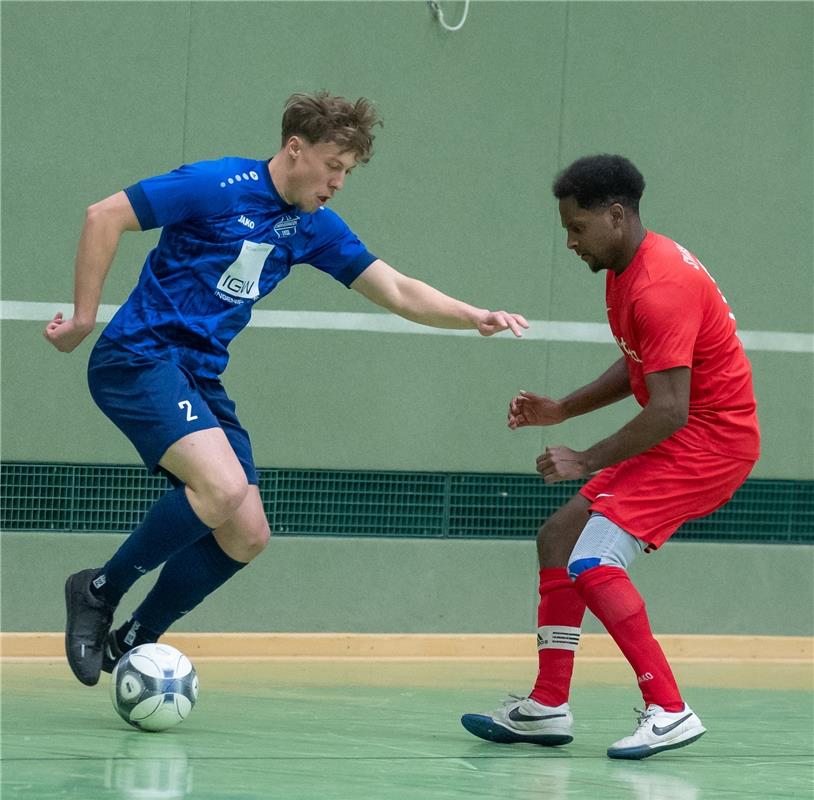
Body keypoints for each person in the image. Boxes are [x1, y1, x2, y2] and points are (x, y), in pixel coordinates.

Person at [45, 91, 528, 688]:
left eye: (348, 172)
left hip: (198, 374)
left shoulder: (313, 228)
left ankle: (136, 638)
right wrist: (83, 318)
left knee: (247, 534)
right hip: (139, 357)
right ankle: (97, 590)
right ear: (295, 149)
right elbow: (104, 215)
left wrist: (472, 314)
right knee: (220, 488)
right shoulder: (217, 184)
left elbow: (398, 290)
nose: (338, 182)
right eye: (332, 165)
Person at [461, 154, 759, 760]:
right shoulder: (628, 268)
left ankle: (669, 708)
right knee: (559, 540)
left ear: (616, 216)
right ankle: (547, 706)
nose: (570, 241)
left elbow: (671, 407)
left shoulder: (659, 287)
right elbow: (640, 362)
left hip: (710, 443)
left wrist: (585, 458)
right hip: (684, 434)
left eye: (577, 227)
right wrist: (563, 410)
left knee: (593, 558)